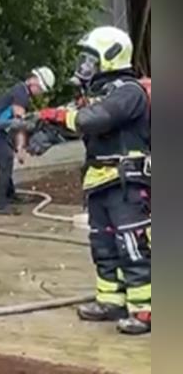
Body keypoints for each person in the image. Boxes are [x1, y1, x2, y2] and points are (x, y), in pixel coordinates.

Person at [34, 26, 150, 335]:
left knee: (133, 245)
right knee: (103, 244)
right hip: (100, 181)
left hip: (128, 182)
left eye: (90, 59)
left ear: (110, 57)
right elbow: (75, 121)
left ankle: (144, 310)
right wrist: (37, 129)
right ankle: (110, 301)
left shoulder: (129, 92)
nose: (84, 65)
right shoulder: (97, 96)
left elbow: (90, 120)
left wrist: (55, 115)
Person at [0, 67, 55, 214]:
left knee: (6, 160)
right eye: (40, 89)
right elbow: (20, 124)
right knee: (6, 160)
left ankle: (9, 195)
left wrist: (19, 147)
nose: (40, 93)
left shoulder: (21, 91)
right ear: (34, 81)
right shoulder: (21, 93)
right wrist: (20, 148)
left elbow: (16, 124)